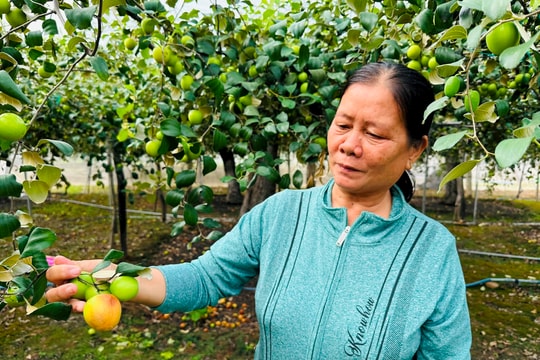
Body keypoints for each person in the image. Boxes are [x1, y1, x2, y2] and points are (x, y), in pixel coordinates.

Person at [46, 62, 472, 359]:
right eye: (343, 125)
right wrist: (115, 276)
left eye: (375, 134)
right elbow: (205, 277)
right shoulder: (281, 214)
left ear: (415, 149)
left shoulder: (432, 252)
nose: (349, 145)